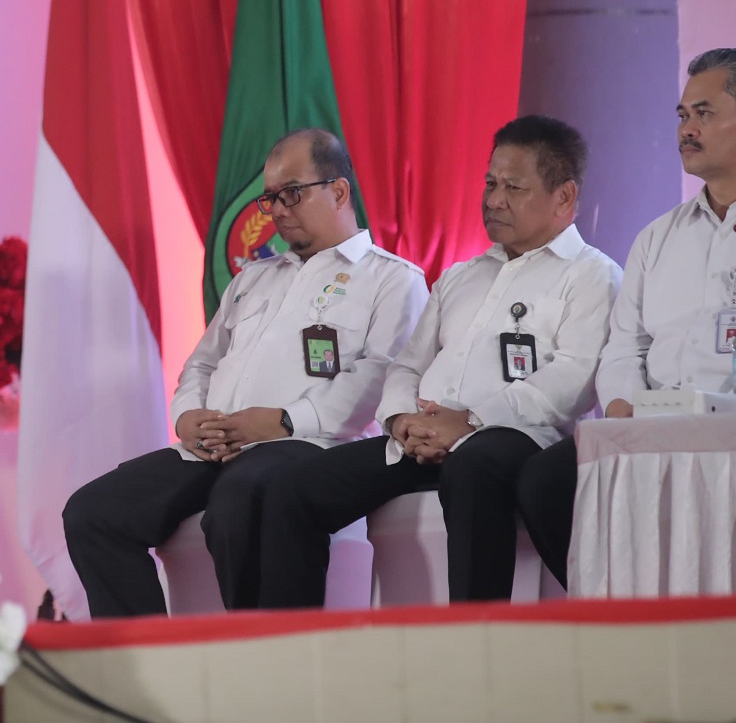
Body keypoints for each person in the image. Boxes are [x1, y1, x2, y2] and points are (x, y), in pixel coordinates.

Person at [256, 115, 621, 606]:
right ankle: (292, 641)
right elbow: (407, 365)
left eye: (513, 187)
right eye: (490, 183)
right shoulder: (461, 275)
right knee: (292, 489)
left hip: (517, 438)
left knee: (473, 468)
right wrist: (401, 419)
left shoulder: (592, 275)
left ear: (564, 197)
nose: (494, 200)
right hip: (420, 437)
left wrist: (470, 421)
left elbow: (573, 378)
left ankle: (476, 639)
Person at [61, 129, 428, 615]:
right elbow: (202, 362)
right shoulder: (254, 277)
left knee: (238, 502)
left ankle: (258, 650)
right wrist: (188, 417)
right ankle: (145, 654)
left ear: (339, 191)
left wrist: (282, 421)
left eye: (291, 193)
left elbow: (381, 375)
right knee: (93, 512)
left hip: (308, 447)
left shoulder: (392, 278)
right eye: (269, 198)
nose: (276, 210)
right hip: (213, 447)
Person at [518, 48, 736, 588]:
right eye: (682, 115)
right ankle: (618, 611)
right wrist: (621, 410)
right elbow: (624, 347)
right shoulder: (657, 238)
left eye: (704, 113)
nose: (686, 129)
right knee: (544, 482)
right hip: (652, 425)